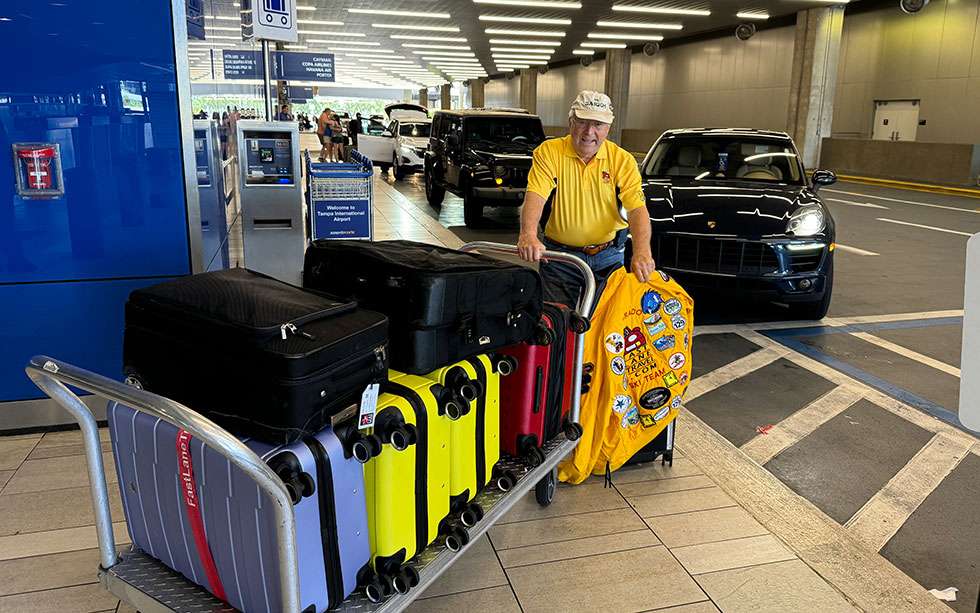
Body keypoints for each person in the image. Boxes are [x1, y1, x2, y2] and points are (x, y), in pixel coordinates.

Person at [517, 90, 655, 309]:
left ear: (608, 128)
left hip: (607, 257)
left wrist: (641, 252)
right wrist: (528, 234)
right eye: (582, 122)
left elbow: (637, 209)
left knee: (608, 329)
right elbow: (536, 194)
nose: (589, 132)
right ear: (571, 122)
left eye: (598, 125)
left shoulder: (622, 160)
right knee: (557, 323)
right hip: (560, 257)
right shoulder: (550, 152)